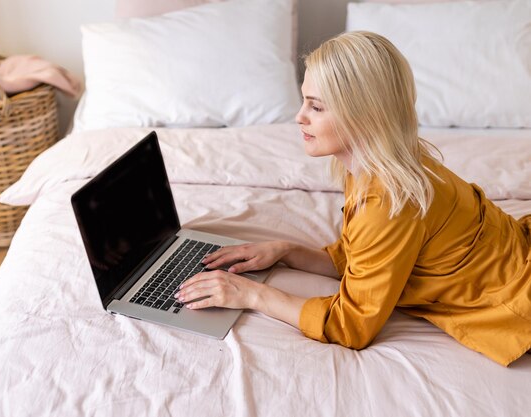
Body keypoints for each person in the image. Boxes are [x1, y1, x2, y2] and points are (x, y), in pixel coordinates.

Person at [175, 31, 531, 367]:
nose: (299, 117)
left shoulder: (389, 201)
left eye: (316, 107)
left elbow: (351, 326)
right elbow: (365, 258)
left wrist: (251, 295)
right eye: (304, 101)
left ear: (364, 115)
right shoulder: (385, 162)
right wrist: (286, 251)